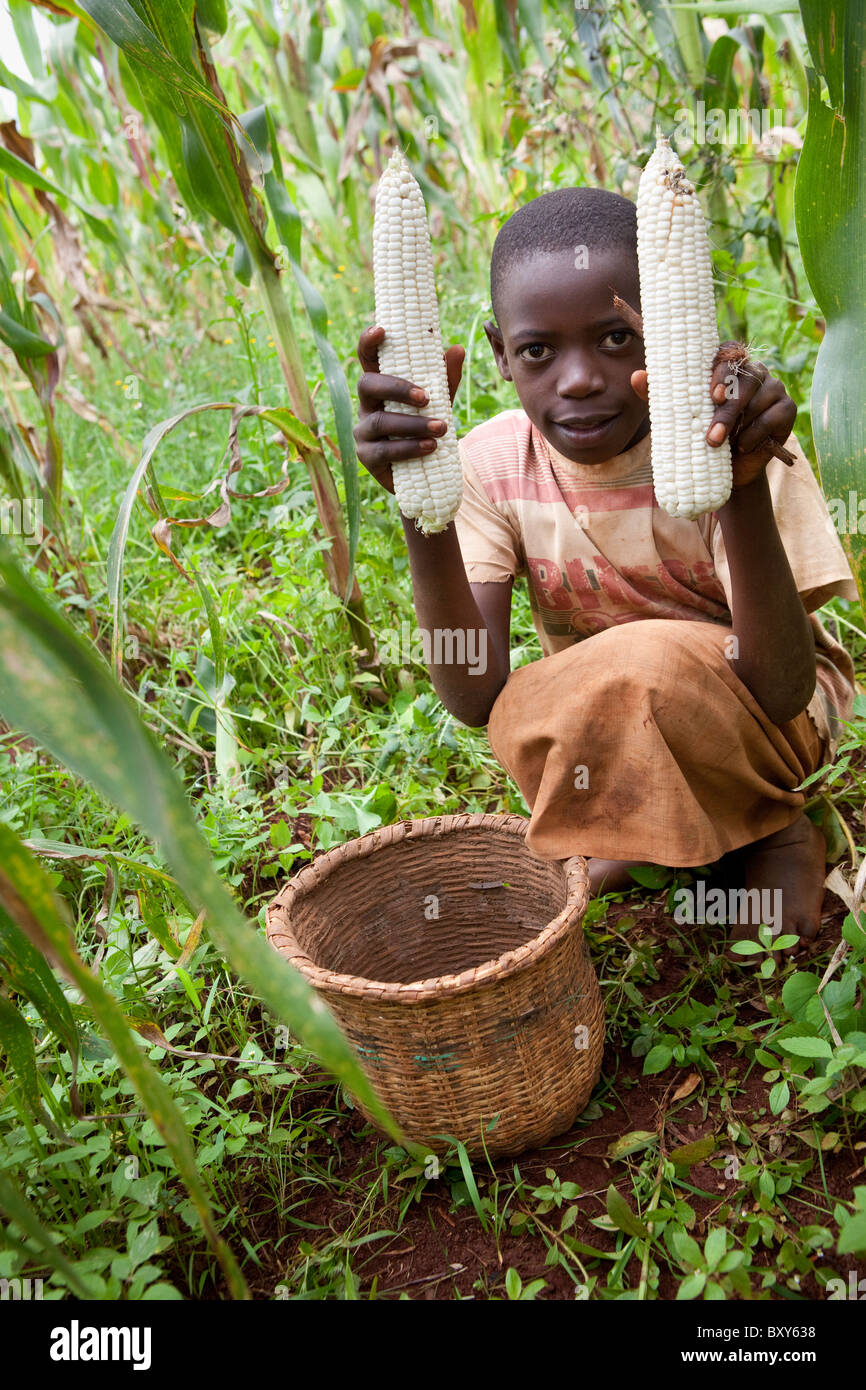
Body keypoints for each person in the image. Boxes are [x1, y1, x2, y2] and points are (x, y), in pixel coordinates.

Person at [353, 183, 857, 947]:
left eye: (616, 338)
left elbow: (781, 684)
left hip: (771, 722)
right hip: (615, 723)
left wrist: (743, 490)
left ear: (666, 333)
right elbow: (472, 690)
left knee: (642, 663)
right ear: (498, 355)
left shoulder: (737, 439)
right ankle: (645, 833)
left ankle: (772, 829)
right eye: (537, 351)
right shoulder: (490, 464)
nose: (580, 377)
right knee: (526, 706)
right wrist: (419, 504)